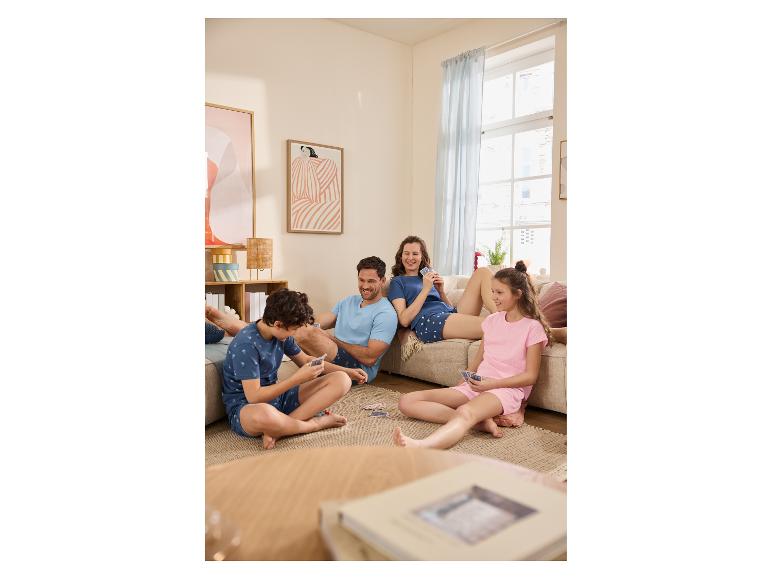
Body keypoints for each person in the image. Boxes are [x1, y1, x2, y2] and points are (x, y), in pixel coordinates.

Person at [393, 261, 552, 449]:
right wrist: (463, 382)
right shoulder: (491, 321)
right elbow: (479, 359)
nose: (493, 297)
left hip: (504, 390)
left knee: (465, 411)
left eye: (499, 293)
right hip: (477, 385)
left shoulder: (532, 328)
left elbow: (530, 376)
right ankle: (479, 422)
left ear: (518, 294)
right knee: (407, 401)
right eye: (492, 291)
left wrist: (491, 384)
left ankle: (423, 445)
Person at [220, 288, 367, 450]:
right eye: (294, 329)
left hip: (278, 398)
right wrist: (297, 379)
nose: (296, 333)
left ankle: (279, 430)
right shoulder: (246, 345)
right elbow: (254, 397)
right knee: (266, 414)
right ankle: (314, 424)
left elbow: (306, 360)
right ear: (278, 324)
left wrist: (347, 372)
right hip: (247, 407)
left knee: (342, 380)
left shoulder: (281, 335)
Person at [293, 256, 398, 383]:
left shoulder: (386, 313)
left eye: (371, 281)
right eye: (361, 280)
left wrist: (332, 339)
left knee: (305, 332)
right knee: (294, 328)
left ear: (382, 281)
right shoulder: (349, 301)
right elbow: (320, 321)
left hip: (359, 368)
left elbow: (369, 359)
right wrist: (308, 325)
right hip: (333, 354)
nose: (365, 286)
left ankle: (311, 372)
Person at [388, 235, 497, 344]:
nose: (410, 258)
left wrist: (441, 291)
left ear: (422, 257)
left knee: (483, 272)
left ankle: (500, 315)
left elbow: (449, 308)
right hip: (430, 320)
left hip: (447, 314)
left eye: (415, 254)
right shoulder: (398, 282)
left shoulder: (427, 276)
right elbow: (404, 320)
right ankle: (504, 323)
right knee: (492, 326)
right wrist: (425, 289)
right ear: (401, 256)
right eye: (406, 253)